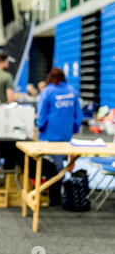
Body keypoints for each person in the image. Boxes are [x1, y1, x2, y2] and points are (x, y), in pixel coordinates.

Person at [35, 67, 83, 205]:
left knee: (54, 166)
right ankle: (63, 190)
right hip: (66, 135)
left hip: (50, 136)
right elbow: (78, 115)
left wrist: (40, 128)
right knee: (62, 163)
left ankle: (56, 196)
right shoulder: (72, 91)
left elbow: (41, 114)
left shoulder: (48, 91)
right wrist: (74, 128)